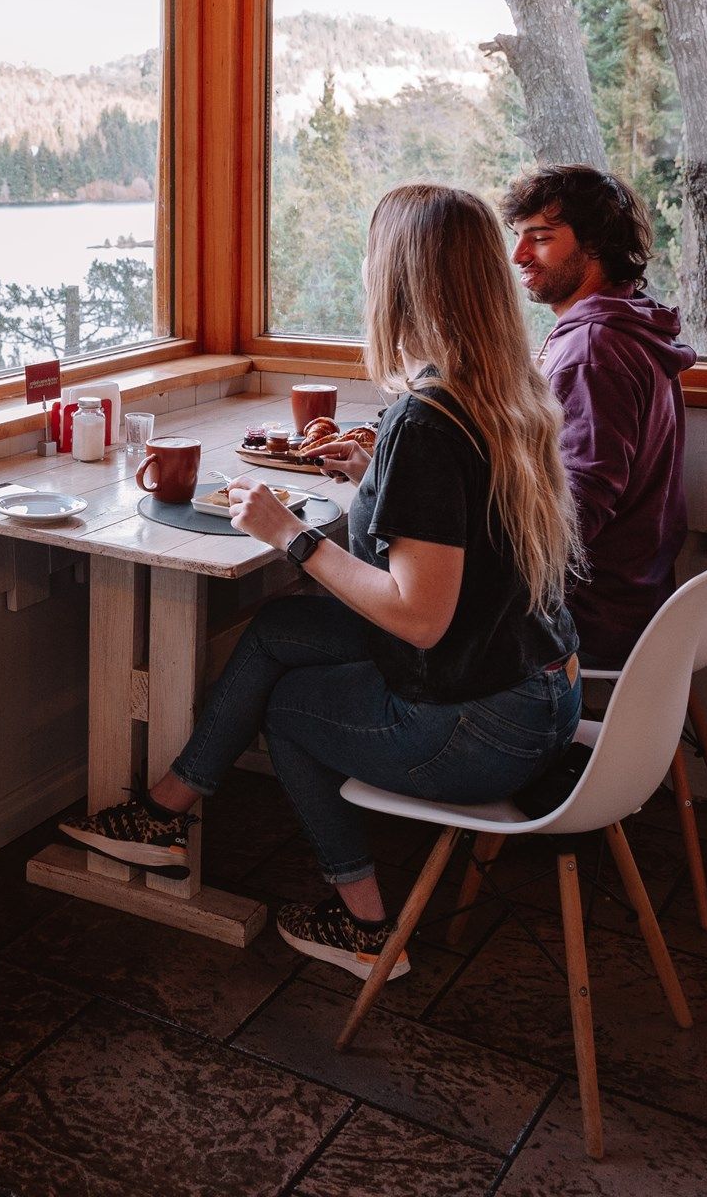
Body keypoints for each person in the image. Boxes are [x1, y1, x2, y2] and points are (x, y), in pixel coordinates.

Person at [61, 184, 584, 980]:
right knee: (276, 629)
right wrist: (377, 471)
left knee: (288, 709)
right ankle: (163, 816)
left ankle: (365, 925)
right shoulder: (506, 389)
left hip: (483, 725)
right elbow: (468, 530)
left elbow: (420, 620)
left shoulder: (428, 419)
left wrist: (290, 534)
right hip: (544, 687)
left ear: (402, 280)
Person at [500, 166, 696, 670]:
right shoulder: (624, 322)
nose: (520, 255)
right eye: (519, 238)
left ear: (595, 245)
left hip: (589, 613)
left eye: (540, 239)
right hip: (637, 593)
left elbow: (576, 518)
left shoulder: (593, 350)